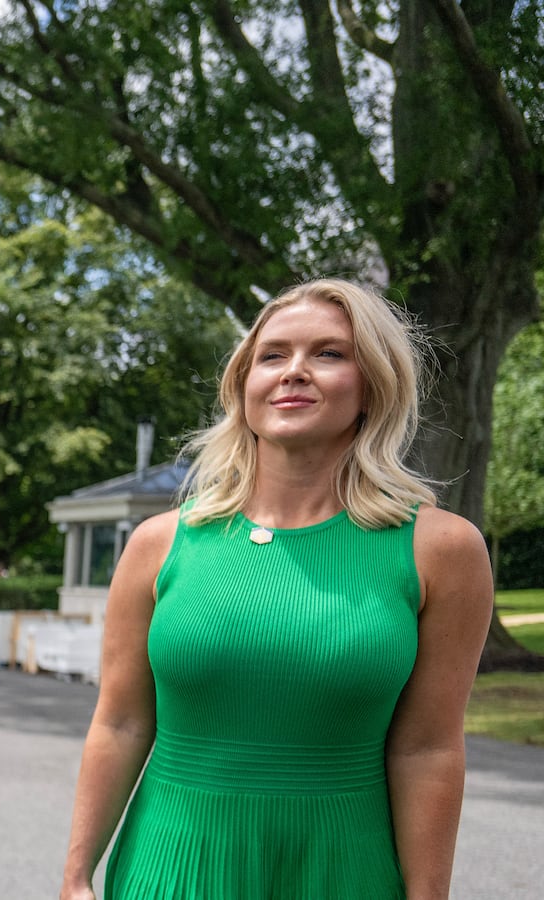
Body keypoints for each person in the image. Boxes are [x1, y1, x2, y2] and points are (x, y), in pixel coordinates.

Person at [58, 279, 492, 899]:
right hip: (173, 866)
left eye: (329, 354)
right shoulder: (160, 544)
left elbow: (427, 749)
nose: (294, 372)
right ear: (244, 386)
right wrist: (75, 878)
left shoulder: (440, 550)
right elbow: (122, 722)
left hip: (344, 871)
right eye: (272, 355)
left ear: (373, 385)